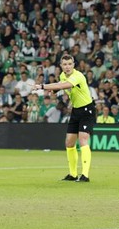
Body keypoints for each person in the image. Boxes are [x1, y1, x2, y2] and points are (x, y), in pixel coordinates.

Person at [33, 54, 95, 182]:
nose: (67, 67)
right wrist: (54, 91)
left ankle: (85, 175)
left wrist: (42, 86)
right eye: (65, 64)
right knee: (69, 142)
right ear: (61, 66)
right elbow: (61, 85)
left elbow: (62, 86)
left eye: (70, 64)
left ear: (73, 65)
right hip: (76, 110)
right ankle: (73, 174)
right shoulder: (62, 75)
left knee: (83, 140)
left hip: (86, 110)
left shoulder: (78, 76)